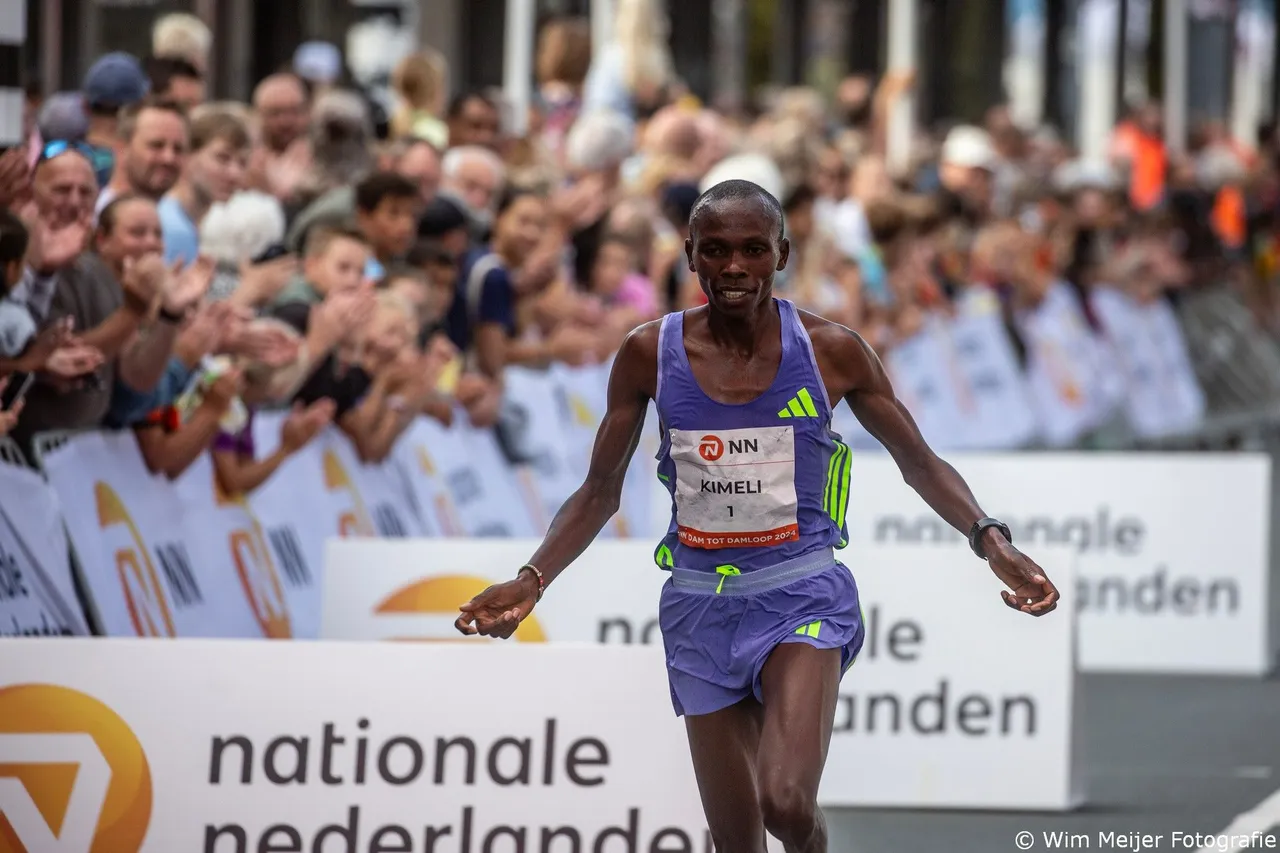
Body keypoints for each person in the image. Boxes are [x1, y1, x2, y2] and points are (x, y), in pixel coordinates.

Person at [455, 179, 1059, 852]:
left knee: (787, 805)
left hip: (802, 595)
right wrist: (532, 578)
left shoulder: (831, 350)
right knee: (738, 843)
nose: (734, 267)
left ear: (782, 254)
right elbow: (600, 491)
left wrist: (990, 539)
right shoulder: (648, 353)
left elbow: (918, 460)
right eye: (715, 251)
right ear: (690, 255)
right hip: (700, 608)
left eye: (752, 249)